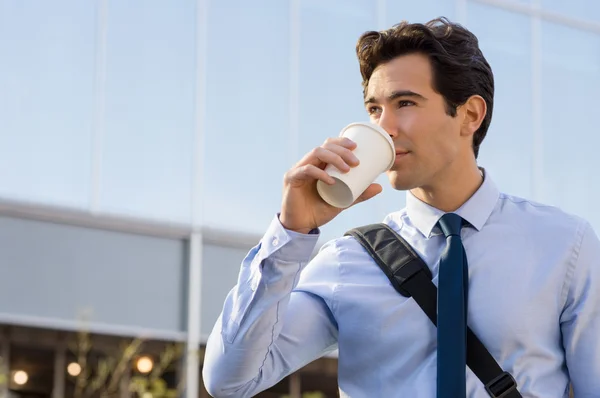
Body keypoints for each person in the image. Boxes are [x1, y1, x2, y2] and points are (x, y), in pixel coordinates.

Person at [202, 17, 600, 398]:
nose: (384, 127)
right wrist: (291, 233)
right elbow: (229, 381)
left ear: (470, 115)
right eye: (374, 109)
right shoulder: (347, 261)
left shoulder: (565, 244)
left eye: (405, 103)